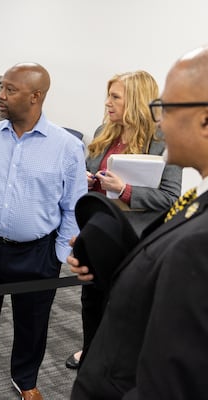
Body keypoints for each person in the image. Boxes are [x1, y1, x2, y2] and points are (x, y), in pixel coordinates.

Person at [0, 63, 87, 400]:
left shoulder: (67, 148)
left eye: (10, 90)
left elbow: (73, 208)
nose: (0, 96)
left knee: (33, 323)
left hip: (38, 253)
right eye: (1, 88)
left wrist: (58, 255)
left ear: (36, 97)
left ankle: (26, 379)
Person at [69, 46, 208, 399]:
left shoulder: (198, 237)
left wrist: (126, 191)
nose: (160, 119)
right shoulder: (197, 210)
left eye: (168, 107)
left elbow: (174, 371)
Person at [65, 71, 181, 370]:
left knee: (123, 305)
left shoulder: (162, 142)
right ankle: (90, 350)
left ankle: (115, 361)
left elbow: (170, 197)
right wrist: (90, 181)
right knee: (91, 300)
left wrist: (124, 190)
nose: (107, 103)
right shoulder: (106, 130)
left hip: (135, 242)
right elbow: (91, 180)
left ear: (137, 101)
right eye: (109, 96)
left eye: (115, 97)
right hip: (97, 232)